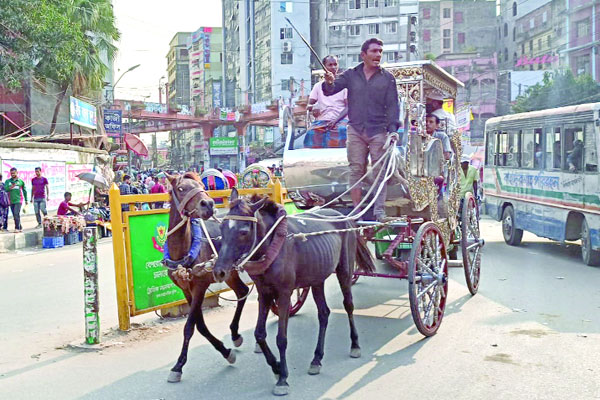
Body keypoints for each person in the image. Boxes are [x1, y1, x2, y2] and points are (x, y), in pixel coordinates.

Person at [323, 37, 400, 221]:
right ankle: (356, 212)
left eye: (380, 51)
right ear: (363, 55)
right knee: (355, 170)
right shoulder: (351, 75)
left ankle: (379, 212)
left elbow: (392, 106)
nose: (378, 55)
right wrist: (328, 81)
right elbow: (330, 90)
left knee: (379, 171)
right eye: (374, 51)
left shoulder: (387, 79)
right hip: (356, 130)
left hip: (379, 131)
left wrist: (393, 130)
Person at [306, 55, 348, 148]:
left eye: (335, 64)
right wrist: (313, 107)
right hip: (322, 120)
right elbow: (309, 104)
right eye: (330, 65)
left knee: (342, 130)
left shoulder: (344, 85)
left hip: (341, 119)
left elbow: (348, 107)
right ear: (324, 67)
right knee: (311, 132)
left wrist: (335, 121)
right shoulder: (318, 86)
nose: (333, 67)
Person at [4, 167, 28, 232]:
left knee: (16, 213)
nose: (13, 174)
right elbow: (5, 189)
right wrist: (10, 187)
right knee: (15, 215)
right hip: (11, 200)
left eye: (14, 173)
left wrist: (26, 200)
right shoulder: (8, 181)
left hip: (18, 200)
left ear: (17, 173)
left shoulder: (20, 181)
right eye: (11, 173)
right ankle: (20, 227)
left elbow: (24, 191)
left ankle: (17, 228)